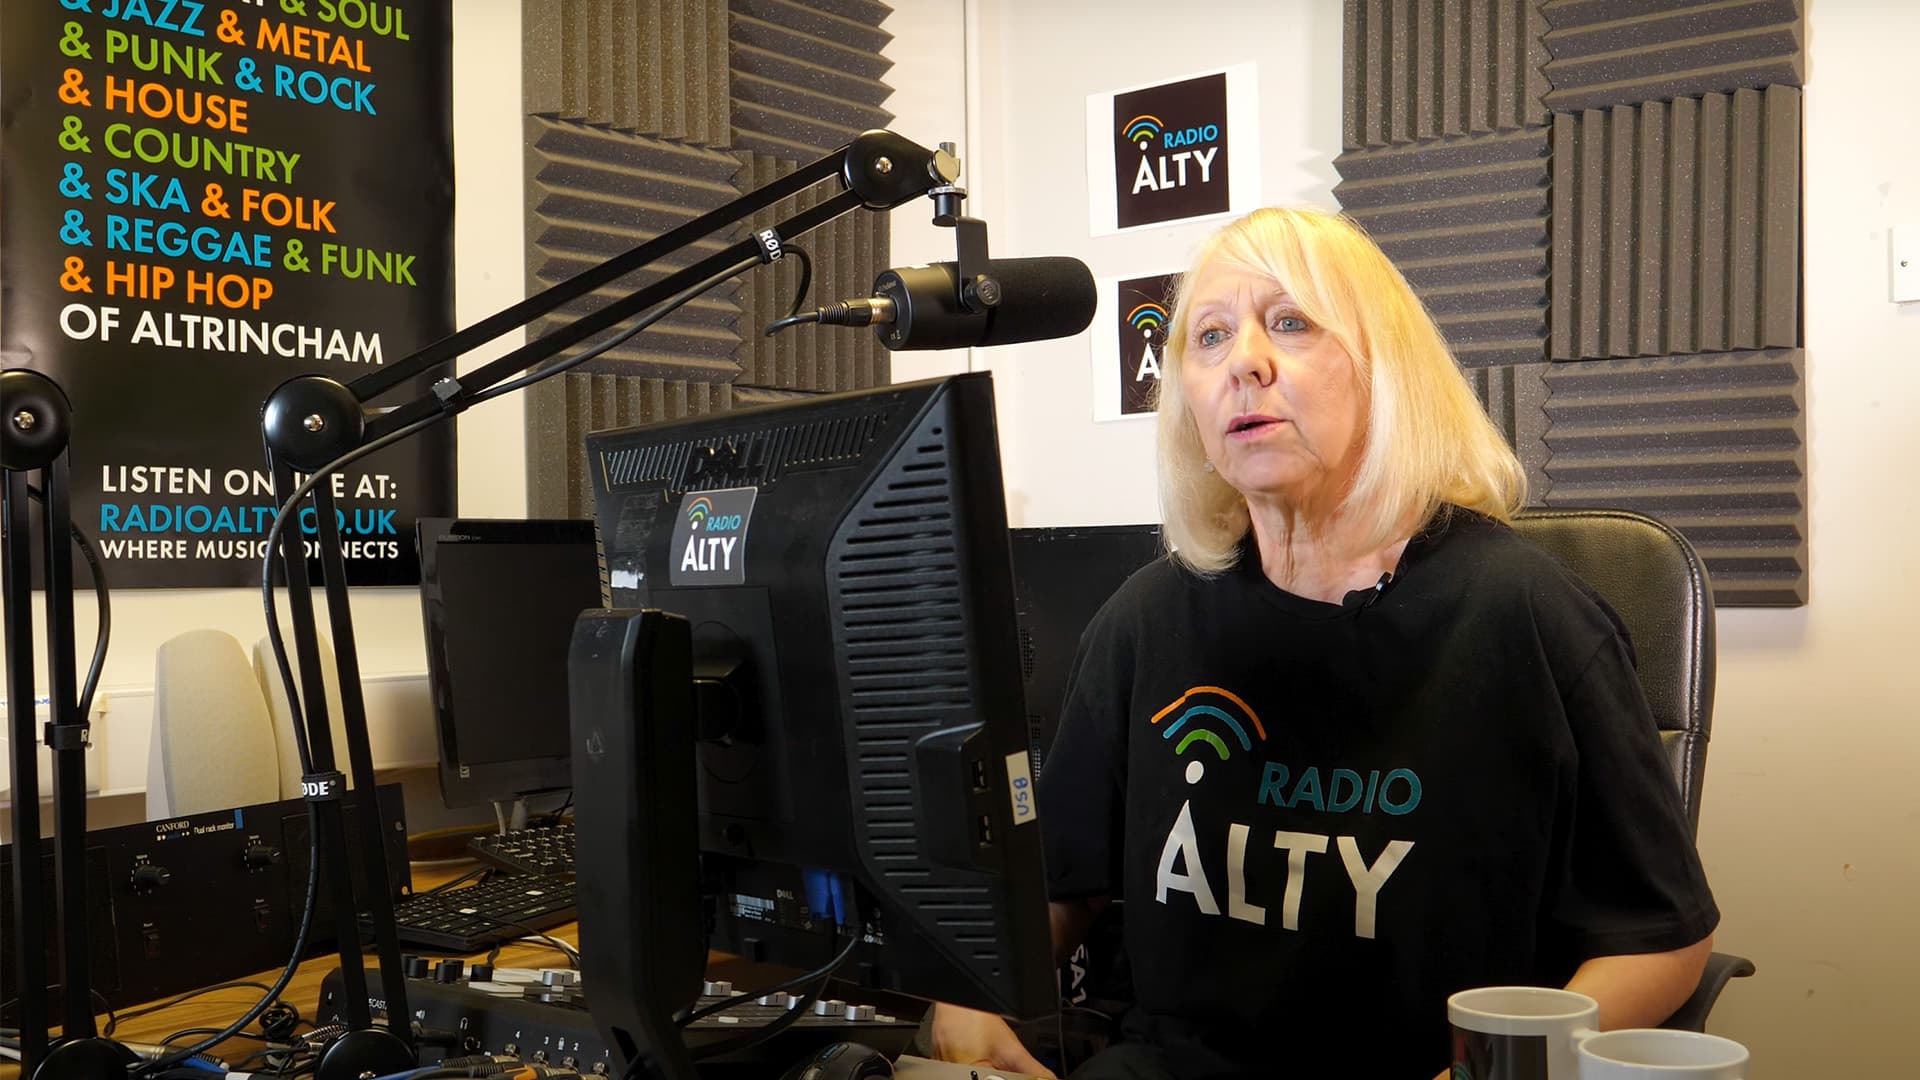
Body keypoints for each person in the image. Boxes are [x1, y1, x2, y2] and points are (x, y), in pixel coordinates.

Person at [928, 206, 1719, 1079]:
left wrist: (1499, 1066)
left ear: (1389, 373)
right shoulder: (1147, 619)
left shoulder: (1530, 618)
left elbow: (1664, 941)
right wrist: (973, 987)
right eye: (1210, 337)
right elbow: (1057, 882)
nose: (1245, 363)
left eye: (1291, 322)